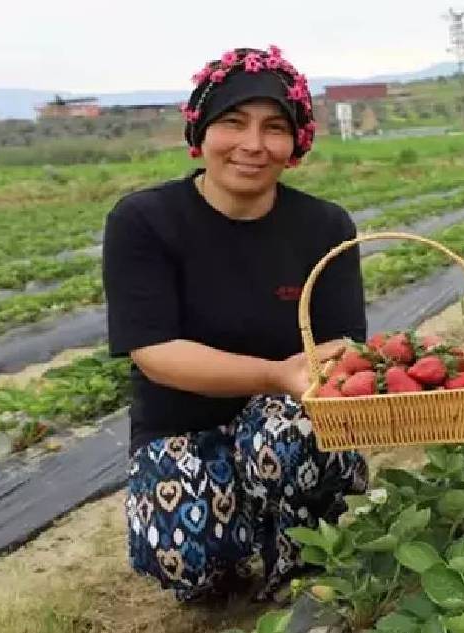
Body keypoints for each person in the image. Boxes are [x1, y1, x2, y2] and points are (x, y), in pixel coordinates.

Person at [102, 46, 368, 604]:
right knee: (187, 554)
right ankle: (225, 557)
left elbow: (343, 341)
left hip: (288, 419)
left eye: (275, 127)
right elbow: (153, 351)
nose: (253, 144)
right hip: (183, 426)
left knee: (289, 427)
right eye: (232, 122)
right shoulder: (145, 221)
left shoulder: (324, 225)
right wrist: (276, 374)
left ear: (296, 143)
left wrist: (297, 384)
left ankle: (297, 556)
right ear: (200, 130)